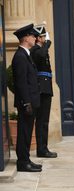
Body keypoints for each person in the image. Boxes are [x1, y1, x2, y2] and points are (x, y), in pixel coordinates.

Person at [12, 24, 42, 172]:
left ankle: (26, 159)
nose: (34, 38)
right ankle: (23, 162)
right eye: (32, 36)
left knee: (27, 131)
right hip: (27, 102)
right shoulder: (20, 56)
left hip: (30, 101)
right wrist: (26, 102)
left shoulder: (25, 54)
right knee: (24, 132)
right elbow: (21, 82)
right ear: (25, 38)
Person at [30, 25, 57, 158]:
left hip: (46, 88)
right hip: (41, 88)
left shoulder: (41, 49)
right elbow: (41, 55)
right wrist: (47, 44)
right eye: (44, 37)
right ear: (39, 38)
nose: (46, 39)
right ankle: (42, 149)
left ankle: (43, 147)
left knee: (44, 120)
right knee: (41, 120)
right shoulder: (35, 49)